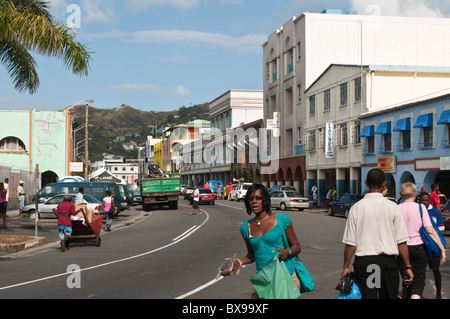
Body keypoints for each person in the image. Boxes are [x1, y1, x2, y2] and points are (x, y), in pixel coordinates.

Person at [341, 168, 413, 299]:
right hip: (388, 263)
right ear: (384, 184)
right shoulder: (393, 207)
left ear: (366, 182)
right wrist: (407, 266)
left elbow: (350, 243)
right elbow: (401, 242)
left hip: (365, 263)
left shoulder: (356, 208)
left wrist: (346, 265)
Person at [227, 184, 302, 299]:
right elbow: (252, 255)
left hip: (285, 277)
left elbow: (297, 247)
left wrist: (287, 252)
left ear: (265, 200)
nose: (254, 201)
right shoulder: (246, 227)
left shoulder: (282, 220)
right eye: (251, 199)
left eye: (258, 198)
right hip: (263, 279)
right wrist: (240, 261)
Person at [419, 191, 445, 299]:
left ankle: (438, 293)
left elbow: (440, 230)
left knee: (436, 271)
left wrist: (437, 244)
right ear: (419, 200)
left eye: (426, 200)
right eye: (422, 200)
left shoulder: (435, 212)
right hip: (420, 246)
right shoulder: (417, 211)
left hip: (433, 246)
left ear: (430, 200)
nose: (424, 202)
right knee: (419, 272)